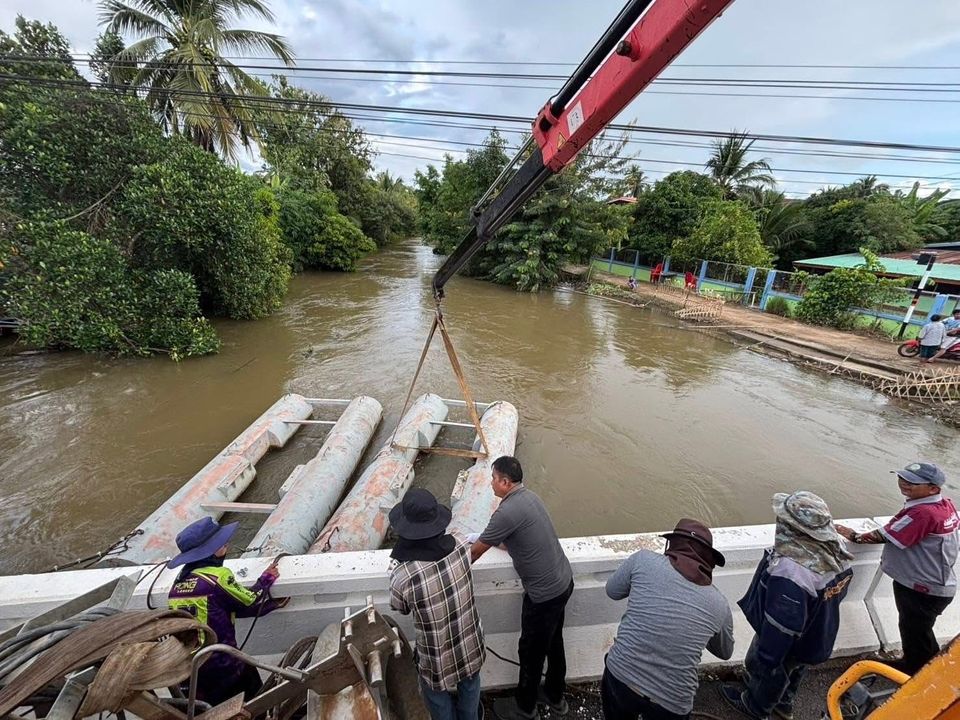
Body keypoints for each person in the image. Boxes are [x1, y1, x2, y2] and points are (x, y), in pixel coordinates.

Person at [722, 492, 854, 720]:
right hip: (815, 636)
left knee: (770, 670)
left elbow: (782, 625)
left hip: (788, 640)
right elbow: (838, 593)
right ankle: (784, 704)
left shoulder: (791, 570)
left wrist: (768, 656)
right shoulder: (834, 550)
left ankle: (755, 706)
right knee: (795, 670)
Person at [471, 456, 573, 720]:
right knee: (554, 642)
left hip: (544, 596)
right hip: (563, 582)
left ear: (505, 482)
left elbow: (472, 555)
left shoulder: (505, 512)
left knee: (531, 651)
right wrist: (490, 540)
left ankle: (525, 709)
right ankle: (555, 696)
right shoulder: (530, 498)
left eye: (494, 478)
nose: (491, 483)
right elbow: (516, 539)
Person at [602, 519, 734, 720]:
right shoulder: (719, 604)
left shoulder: (642, 560)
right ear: (708, 560)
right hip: (672, 702)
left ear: (671, 545)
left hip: (620, 678)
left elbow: (612, 591)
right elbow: (725, 652)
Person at [837, 462, 959, 674]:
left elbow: (882, 536)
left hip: (922, 588)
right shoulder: (944, 506)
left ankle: (915, 675)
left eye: (913, 482)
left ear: (933, 489)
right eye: (902, 478)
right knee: (920, 632)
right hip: (937, 584)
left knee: (914, 632)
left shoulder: (923, 513)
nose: (904, 483)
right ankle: (928, 668)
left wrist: (851, 535)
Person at [167, 517, 288, 705]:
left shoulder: (178, 585)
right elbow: (250, 599)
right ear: (211, 550)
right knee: (254, 699)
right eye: (222, 543)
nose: (227, 544)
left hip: (191, 669)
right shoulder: (217, 577)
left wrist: (270, 607)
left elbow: (220, 608)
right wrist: (266, 579)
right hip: (222, 663)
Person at [389, 489, 485, 720]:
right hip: (470, 639)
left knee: (436, 693)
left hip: (435, 653)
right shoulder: (461, 546)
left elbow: (400, 607)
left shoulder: (403, 576)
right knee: (470, 684)